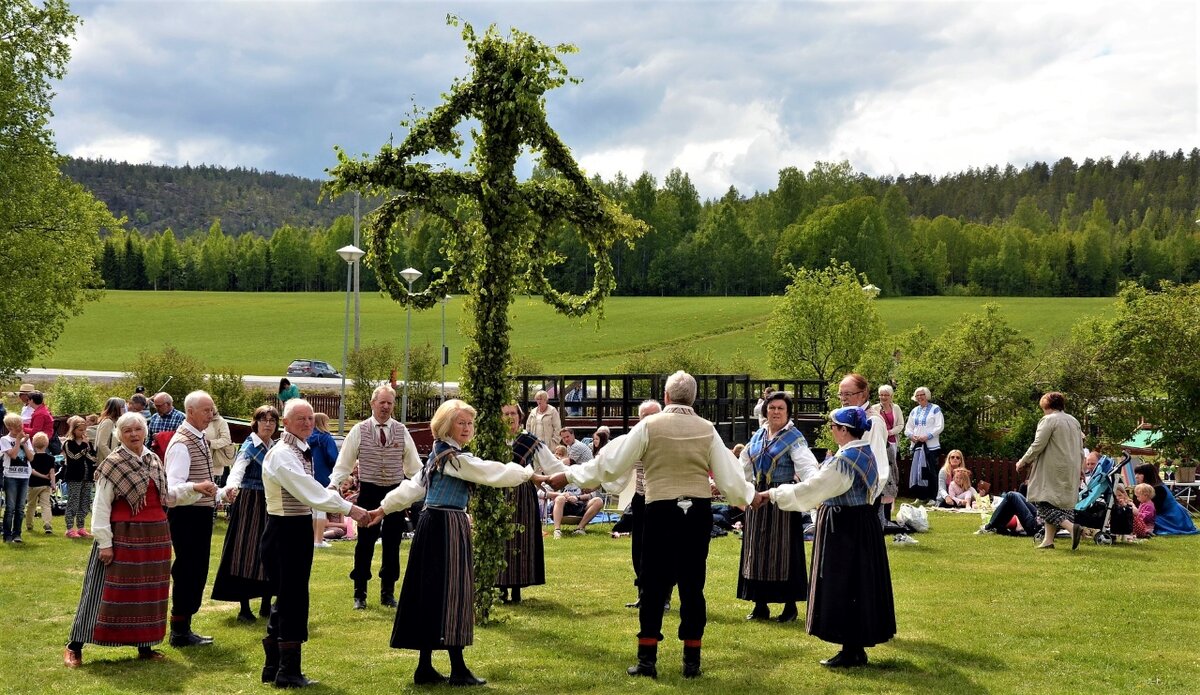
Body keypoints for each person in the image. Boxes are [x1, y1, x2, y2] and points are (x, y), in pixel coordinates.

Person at [548, 371, 756, 680]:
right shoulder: (707, 430)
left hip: (660, 508)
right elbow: (730, 478)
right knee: (692, 583)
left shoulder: (648, 425)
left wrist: (569, 476)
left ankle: (647, 660)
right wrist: (749, 496)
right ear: (694, 399)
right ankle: (691, 660)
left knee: (653, 582)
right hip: (695, 510)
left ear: (666, 398)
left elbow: (610, 464)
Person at [367, 399, 546, 687]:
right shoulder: (452, 458)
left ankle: (425, 667)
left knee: (431, 594)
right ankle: (457, 668)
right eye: (460, 422)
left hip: (434, 527)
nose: (466, 428)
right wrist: (528, 473)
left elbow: (414, 487)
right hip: (445, 528)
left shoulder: (443, 454)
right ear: (446, 424)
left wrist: (383, 507)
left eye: (469, 423)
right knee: (453, 594)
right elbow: (489, 472)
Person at [755, 407, 896, 668]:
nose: (831, 430)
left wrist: (772, 495)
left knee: (845, 583)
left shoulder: (845, 460)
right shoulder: (866, 453)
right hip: (862, 524)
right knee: (858, 584)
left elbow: (813, 489)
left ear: (843, 430)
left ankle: (851, 649)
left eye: (833, 426)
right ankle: (854, 647)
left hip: (845, 527)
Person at [260, 399, 369, 688]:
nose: (307, 423)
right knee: (293, 598)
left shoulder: (299, 450)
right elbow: (308, 491)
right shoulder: (283, 454)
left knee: (288, 596)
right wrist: (349, 509)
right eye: (300, 419)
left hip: (293, 529)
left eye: (310, 418)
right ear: (285, 422)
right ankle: (288, 671)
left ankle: (274, 667)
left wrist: (333, 489)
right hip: (284, 530)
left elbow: (313, 489)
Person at [63, 412, 187, 667]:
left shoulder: (153, 460)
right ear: (119, 434)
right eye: (127, 430)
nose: (133, 434)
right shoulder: (113, 463)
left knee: (147, 592)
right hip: (123, 536)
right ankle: (75, 645)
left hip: (155, 537)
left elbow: (165, 496)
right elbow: (100, 506)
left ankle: (145, 646)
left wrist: (195, 490)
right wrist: (105, 543)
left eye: (137, 429)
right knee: (103, 591)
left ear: (145, 432)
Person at [328, 384, 422, 610]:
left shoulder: (401, 430)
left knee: (392, 543)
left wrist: (422, 484)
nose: (386, 407)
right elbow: (344, 463)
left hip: (395, 492)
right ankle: (359, 592)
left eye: (390, 403)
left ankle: (387, 592)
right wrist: (334, 484)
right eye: (382, 402)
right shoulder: (359, 430)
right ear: (373, 404)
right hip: (369, 492)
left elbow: (414, 467)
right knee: (365, 543)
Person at [737, 391, 817, 623]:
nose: (776, 412)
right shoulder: (759, 435)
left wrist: (815, 486)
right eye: (772, 408)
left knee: (784, 552)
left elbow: (807, 466)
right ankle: (760, 604)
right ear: (766, 411)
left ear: (788, 412)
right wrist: (730, 484)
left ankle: (789, 607)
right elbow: (744, 464)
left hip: (782, 500)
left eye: (780, 408)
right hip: (757, 499)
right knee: (757, 550)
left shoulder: (794, 438)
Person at [213, 405, 279, 622]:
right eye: (263, 420)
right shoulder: (249, 446)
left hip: (270, 503)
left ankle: (266, 604)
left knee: (270, 552)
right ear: (255, 422)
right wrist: (231, 487)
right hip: (250, 502)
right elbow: (238, 470)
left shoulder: (275, 447)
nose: (268, 424)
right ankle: (244, 608)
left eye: (272, 420)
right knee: (245, 552)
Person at [164, 390, 219, 646]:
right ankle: (179, 630)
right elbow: (171, 489)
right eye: (206, 410)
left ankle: (184, 627)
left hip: (200, 513)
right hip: (187, 515)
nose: (212, 415)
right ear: (190, 412)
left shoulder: (199, 438)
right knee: (188, 570)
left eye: (212, 410)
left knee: (197, 570)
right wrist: (197, 488)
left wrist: (219, 494)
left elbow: (200, 482)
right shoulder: (182, 443)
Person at [496, 402, 565, 604]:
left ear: (520, 416)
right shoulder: (492, 440)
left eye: (513, 413)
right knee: (500, 540)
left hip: (522, 495)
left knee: (521, 539)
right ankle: (499, 587)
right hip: (497, 494)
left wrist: (575, 476)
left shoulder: (529, 441)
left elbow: (552, 465)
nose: (510, 417)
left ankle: (517, 589)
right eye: (505, 413)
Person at [1015, 392, 1082, 550]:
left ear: (1047, 404)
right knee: (1056, 503)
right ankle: (1048, 540)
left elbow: (1038, 444)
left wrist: (1023, 461)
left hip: (1052, 467)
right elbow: (1079, 447)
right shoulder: (1074, 421)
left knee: (1042, 501)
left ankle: (1071, 527)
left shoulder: (1049, 420)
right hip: (1071, 467)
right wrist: (1081, 467)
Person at [621, 399, 662, 609]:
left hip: (663, 499)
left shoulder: (667, 438)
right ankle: (642, 593)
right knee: (639, 548)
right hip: (640, 498)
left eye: (654, 415)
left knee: (662, 549)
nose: (649, 420)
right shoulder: (634, 440)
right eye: (645, 416)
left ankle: (663, 597)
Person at [1133, 462, 1197, 535]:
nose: (1136, 476)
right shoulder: (1146, 488)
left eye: (1139, 474)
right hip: (1162, 514)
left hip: (1172, 517)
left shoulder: (1158, 489)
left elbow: (1153, 512)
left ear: (1148, 475)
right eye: (1136, 473)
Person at [905, 386, 944, 503]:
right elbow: (908, 428)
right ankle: (920, 497)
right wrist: (912, 436)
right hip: (917, 445)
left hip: (931, 446)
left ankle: (932, 497)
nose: (920, 397)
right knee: (918, 471)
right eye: (917, 395)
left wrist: (927, 436)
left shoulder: (935, 409)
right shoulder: (914, 411)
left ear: (927, 395)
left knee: (931, 470)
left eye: (922, 395)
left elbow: (940, 426)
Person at [308, 412, 340, 547]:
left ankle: (313, 539)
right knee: (321, 509)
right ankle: (319, 540)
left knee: (313, 509)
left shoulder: (307, 438)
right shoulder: (326, 438)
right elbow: (334, 458)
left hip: (309, 477)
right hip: (323, 477)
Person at [2, 413, 34, 543]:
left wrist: (25, 444)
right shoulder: (4, 440)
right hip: (10, 476)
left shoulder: (26, 439)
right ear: (10, 427)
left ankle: (17, 533)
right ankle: (7, 534)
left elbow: (31, 458)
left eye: (21, 425)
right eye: (17, 427)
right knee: (10, 507)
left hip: (24, 475)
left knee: (20, 507)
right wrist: (17, 442)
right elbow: (14, 455)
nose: (21, 428)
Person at [62, 416, 97, 538]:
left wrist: (87, 448)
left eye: (84, 430)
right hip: (74, 476)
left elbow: (93, 458)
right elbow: (73, 457)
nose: (83, 433)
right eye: (80, 430)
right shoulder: (68, 443)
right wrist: (84, 447)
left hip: (87, 476)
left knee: (85, 502)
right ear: (74, 430)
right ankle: (70, 528)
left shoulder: (88, 444)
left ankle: (81, 527)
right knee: (74, 501)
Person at [875, 385, 905, 523]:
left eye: (886, 395)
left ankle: (888, 506)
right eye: (881, 395)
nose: (883, 397)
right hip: (879, 443)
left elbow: (900, 425)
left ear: (891, 396)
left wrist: (890, 432)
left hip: (892, 443)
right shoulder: (875, 409)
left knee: (891, 472)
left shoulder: (896, 408)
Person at [26, 432, 58, 535]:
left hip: (33, 485)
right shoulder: (51, 458)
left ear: (33, 444)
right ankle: (47, 523)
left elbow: (31, 470)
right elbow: (52, 472)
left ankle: (29, 524)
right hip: (45, 485)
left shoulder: (31, 457)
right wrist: (53, 484)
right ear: (47, 444)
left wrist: (41, 476)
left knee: (31, 505)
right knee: (46, 505)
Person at [976, 490, 1042, 536]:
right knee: (1016, 494)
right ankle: (997, 527)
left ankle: (989, 527)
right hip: (1038, 519)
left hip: (1037, 527)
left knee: (1011, 495)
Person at [206, 408, 237, 486]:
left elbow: (226, 440)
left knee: (212, 494)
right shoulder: (197, 420)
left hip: (215, 465)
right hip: (197, 464)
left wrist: (210, 443)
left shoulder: (221, 421)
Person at [95, 398, 125, 466]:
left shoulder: (113, 422)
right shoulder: (107, 422)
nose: (124, 409)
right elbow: (101, 444)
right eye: (122, 407)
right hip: (107, 462)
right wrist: (112, 459)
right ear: (117, 408)